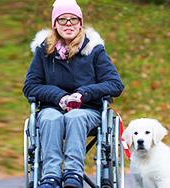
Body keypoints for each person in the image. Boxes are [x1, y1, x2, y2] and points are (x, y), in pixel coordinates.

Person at [23, 0, 124, 187]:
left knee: (75, 117)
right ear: (55, 24)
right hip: (52, 108)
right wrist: (58, 96)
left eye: (73, 19)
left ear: (80, 23)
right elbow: (30, 86)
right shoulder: (43, 52)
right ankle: (51, 176)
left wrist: (83, 94)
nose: (68, 24)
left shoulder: (94, 50)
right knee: (50, 118)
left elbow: (115, 84)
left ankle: (73, 174)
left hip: (87, 110)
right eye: (62, 20)